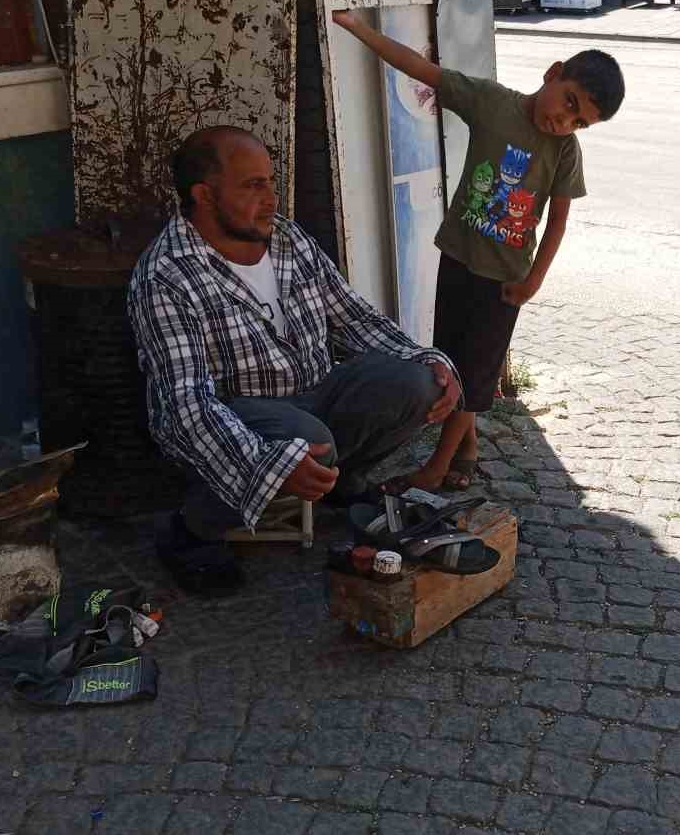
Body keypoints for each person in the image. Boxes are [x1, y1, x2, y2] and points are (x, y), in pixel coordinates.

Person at [128, 127, 463, 595]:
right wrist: (269, 462)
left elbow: (355, 317)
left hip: (312, 394)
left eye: (270, 181)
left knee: (417, 382)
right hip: (231, 416)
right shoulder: (167, 276)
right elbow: (187, 409)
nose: (271, 199)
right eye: (252, 186)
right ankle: (191, 531)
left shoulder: (285, 238)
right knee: (306, 439)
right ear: (203, 196)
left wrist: (429, 359)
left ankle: (342, 482)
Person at [332, 10, 623, 495]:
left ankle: (436, 465)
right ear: (553, 73)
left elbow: (558, 219)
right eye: (569, 102)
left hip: (505, 280)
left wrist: (535, 280)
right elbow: (423, 70)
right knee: (450, 362)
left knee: (475, 376)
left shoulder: (565, 152)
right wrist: (362, 30)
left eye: (580, 121)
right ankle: (467, 450)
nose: (563, 120)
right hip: (458, 258)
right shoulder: (490, 102)